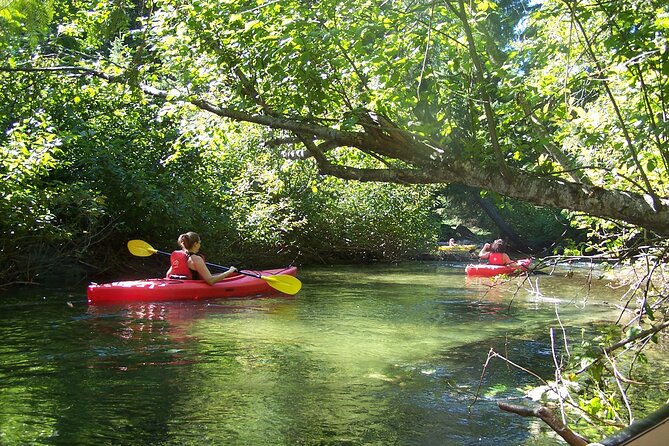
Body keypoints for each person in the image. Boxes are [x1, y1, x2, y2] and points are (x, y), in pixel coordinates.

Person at [166, 232, 237, 285]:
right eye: (199, 242)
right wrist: (229, 271)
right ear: (195, 244)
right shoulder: (196, 259)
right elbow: (211, 281)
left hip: (179, 284)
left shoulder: (176, 255)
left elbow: (168, 274)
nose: (200, 245)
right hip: (191, 288)